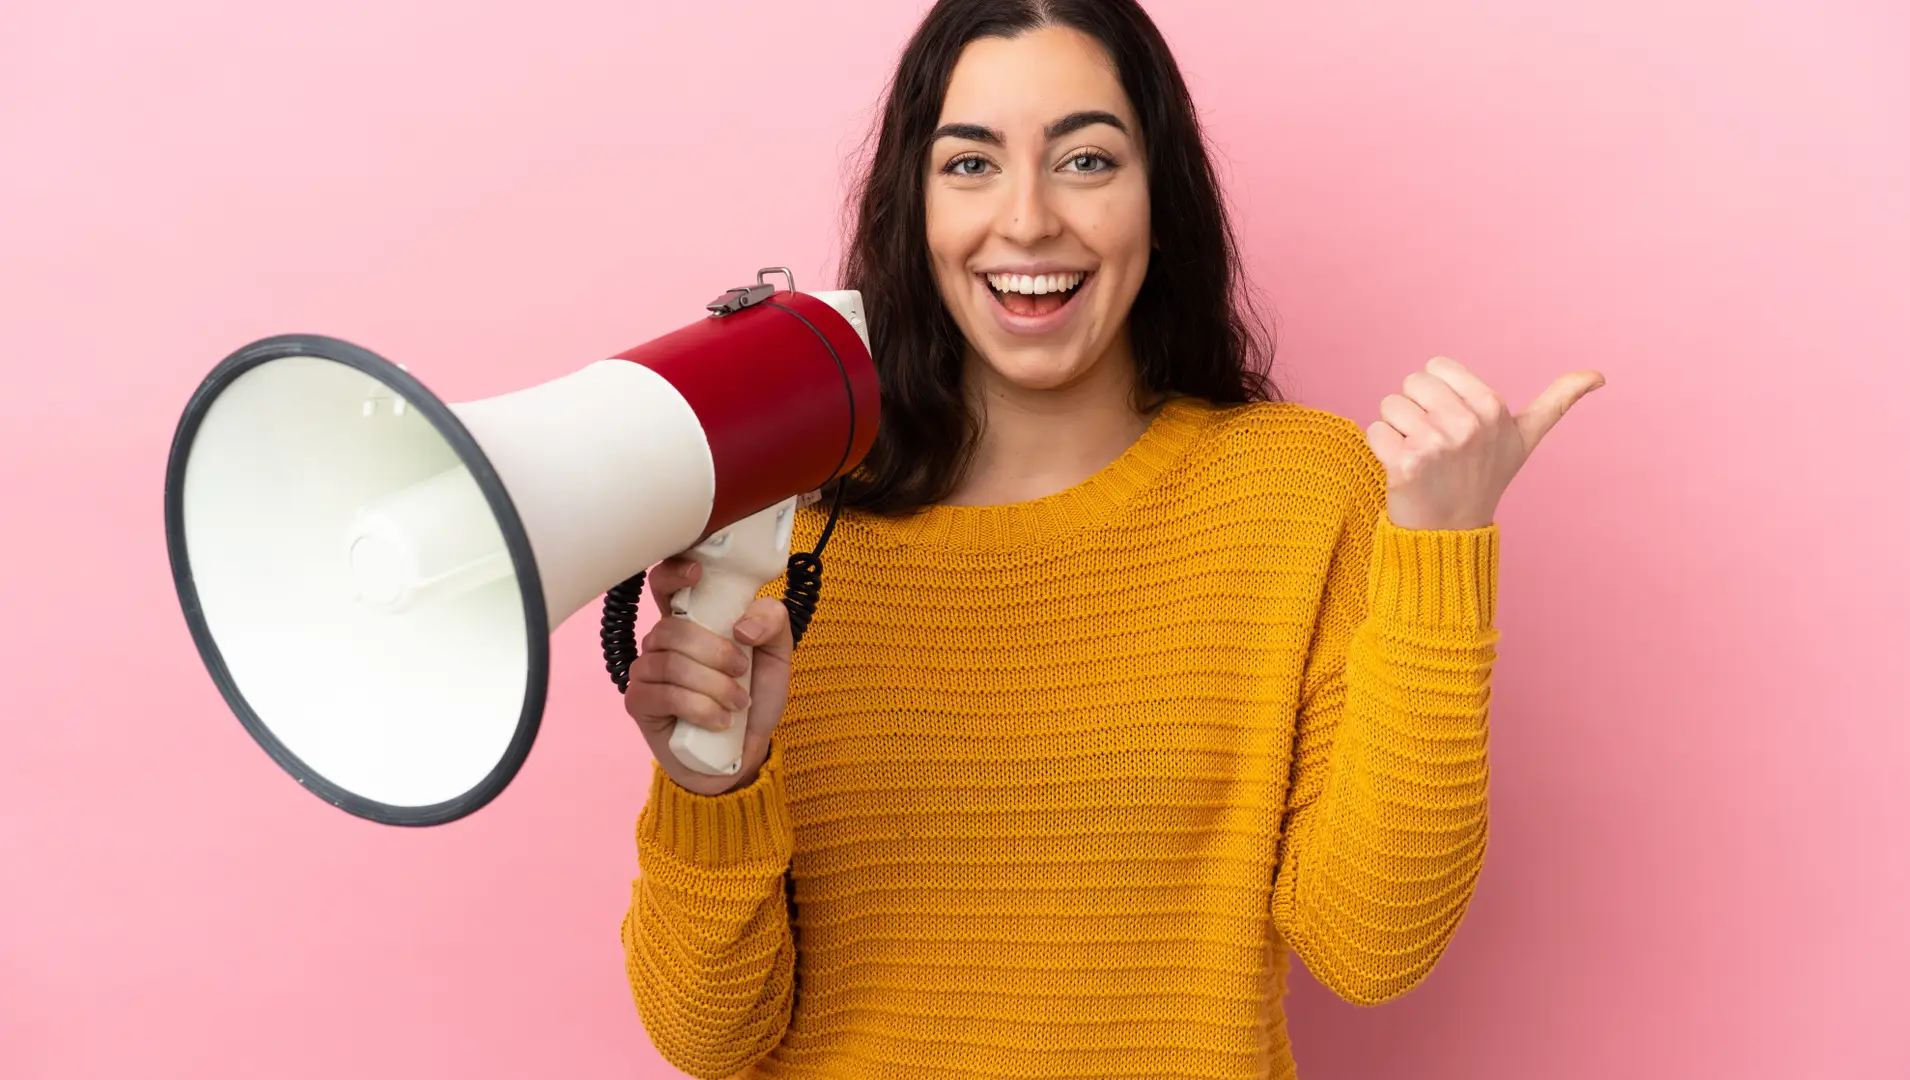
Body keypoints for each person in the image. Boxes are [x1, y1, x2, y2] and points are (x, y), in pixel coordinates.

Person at [618, 1, 1602, 1077]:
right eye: (971, 165)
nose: (1030, 220)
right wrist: (714, 783)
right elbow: (708, 1041)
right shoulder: (793, 526)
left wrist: (1440, 554)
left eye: (1085, 160)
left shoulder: (1299, 491)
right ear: (915, 212)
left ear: (1160, 201)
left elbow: (1371, 947)